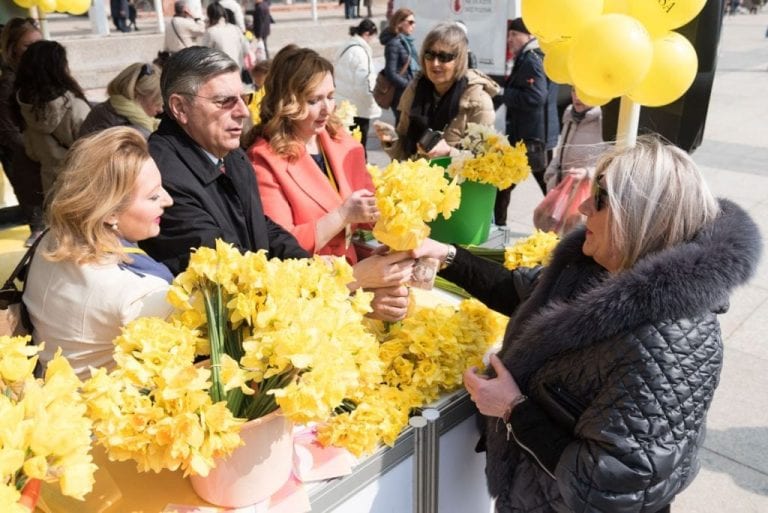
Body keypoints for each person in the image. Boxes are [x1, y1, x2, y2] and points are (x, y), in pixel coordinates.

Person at [413, 135, 762, 513]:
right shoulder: (604, 268)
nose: (581, 208)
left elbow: (612, 484)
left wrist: (513, 408)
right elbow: (532, 296)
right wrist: (449, 256)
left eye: (598, 199)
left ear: (638, 216)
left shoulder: (669, 340)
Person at [140, 47, 410, 321]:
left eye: (244, 98)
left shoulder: (227, 152)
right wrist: (345, 285)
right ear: (179, 108)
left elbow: (265, 231)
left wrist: (314, 268)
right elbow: (230, 273)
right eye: (225, 102)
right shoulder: (162, 175)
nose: (243, 111)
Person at [245, 47, 413, 291]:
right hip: (309, 287)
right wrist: (343, 215)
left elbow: (368, 211)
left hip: (354, 274)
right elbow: (281, 244)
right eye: (314, 100)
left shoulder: (340, 141)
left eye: (331, 96)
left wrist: (398, 224)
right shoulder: (264, 159)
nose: (327, 109)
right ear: (288, 101)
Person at [23, 127, 175, 380]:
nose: (168, 200)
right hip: (107, 413)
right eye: (153, 196)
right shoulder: (136, 295)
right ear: (110, 212)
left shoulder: (55, 239)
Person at [374, 22, 500, 161]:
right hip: (416, 179)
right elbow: (405, 154)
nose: (435, 63)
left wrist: (448, 153)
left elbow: (483, 161)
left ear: (459, 60)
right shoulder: (415, 90)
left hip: (454, 182)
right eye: (430, 55)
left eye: (444, 57)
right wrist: (392, 140)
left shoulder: (478, 100)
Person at [494, 17, 559, 227]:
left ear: (528, 36)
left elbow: (535, 97)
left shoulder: (531, 59)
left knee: (545, 187)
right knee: (507, 185)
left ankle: (560, 227)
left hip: (531, 138)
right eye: (509, 35)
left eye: (515, 35)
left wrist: (503, 93)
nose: (510, 39)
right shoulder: (530, 56)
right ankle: (499, 224)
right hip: (534, 136)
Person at [14, 40, 91, 196]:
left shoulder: (26, 109)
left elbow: (32, 153)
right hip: (83, 187)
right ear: (59, 69)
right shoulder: (74, 107)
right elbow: (95, 149)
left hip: (52, 189)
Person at [0, 17, 44, 245]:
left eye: (38, 43)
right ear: (13, 48)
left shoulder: (39, 75)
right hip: (22, 158)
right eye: (28, 45)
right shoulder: (8, 82)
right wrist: (36, 151)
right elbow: (8, 131)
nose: (35, 50)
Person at [542, 88, 607, 191]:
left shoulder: (603, 121)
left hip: (585, 194)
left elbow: (611, 165)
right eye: (573, 90)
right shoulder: (569, 114)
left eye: (583, 92)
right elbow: (561, 152)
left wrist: (587, 174)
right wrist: (550, 175)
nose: (577, 97)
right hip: (562, 190)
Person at [79, 62, 162, 139]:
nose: (160, 109)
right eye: (156, 102)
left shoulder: (102, 110)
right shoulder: (136, 132)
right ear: (137, 95)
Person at [335, 18, 381, 152]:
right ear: (367, 34)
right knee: (359, 147)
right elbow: (364, 82)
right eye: (372, 36)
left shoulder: (346, 47)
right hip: (358, 107)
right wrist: (371, 103)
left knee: (346, 146)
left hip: (344, 105)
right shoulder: (361, 52)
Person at [382, 8, 419, 125]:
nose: (414, 25)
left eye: (414, 22)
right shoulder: (394, 44)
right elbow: (391, 73)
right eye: (411, 22)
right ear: (399, 23)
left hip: (407, 91)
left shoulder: (406, 42)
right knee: (402, 127)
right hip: (400, 94)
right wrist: (409, 85)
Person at [202, 1, 246, 69]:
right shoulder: (236, 29)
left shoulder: (211, 32)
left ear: (210, 15)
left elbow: (203, 55)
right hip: (237, 69)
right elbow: (246, 50)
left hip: (220, 71)